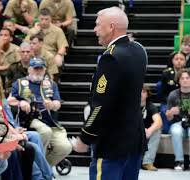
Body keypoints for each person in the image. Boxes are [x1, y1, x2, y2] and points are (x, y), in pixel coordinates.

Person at [74, 7, 148, 180]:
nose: (94, 29)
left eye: (98, 25)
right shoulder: (139, 50)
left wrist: (85, 137)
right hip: (134, 139)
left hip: (112, 143)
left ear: (111, 27)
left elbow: (101, 104)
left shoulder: (111, 57)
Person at [9, 57, 72, 166]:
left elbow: (58, 104)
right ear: (29, 69)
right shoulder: (19, 83)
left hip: (50, 121)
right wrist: (21, 103)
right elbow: (9, 101)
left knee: (65, 147)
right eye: (35, 68)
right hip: (30, 119)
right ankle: (40, 171)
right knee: (45, 131)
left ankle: (42, 167)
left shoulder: (51, 84)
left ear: (44, 70)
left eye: (40, 69)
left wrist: (52, 105)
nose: (38, 71)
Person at [165, 68, 190, 170]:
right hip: (178, 123)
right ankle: (179, 161)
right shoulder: (173, 94)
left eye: (187, 78)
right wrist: (171, 112)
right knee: (176, 131)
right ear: (178, 81)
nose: (185, 80)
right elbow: (168, 118)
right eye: (182, 78)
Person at [141, 85, 162, 171]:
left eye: (143, 92)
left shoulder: (150, 106)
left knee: (157, 130)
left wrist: (149, 130)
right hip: (132, 132)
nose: (141, 94)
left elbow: (159, 121)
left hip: (146, 134)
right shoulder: (129, 105)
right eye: (139, 91)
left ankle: (147, 162)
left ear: (147, 94)